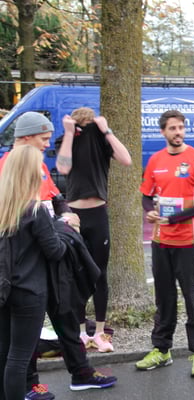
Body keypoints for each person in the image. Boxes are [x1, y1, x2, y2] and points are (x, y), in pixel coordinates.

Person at [1, 112, 116, 400]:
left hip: (46, 258)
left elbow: (54, 197)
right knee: (22, 339)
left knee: (64, 314)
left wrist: (65, 213)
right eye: (43, 138)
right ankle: (30, 385)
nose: (46, 144)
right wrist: (60, 226)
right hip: (32, 260)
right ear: (26, 137)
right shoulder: (10, 165)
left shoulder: (37, 163)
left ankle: (81, 372)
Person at [136, 110, 194, 377]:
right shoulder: (155, 160)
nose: (178, 132)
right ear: (163, 132)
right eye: (172, 128)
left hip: (189, 242)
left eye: (181, 127)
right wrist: (149, 211)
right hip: (161, 241)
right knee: (164, 298)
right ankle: (162, 349)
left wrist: (176, 217)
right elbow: (146, 195)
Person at [56, 107, 132, 352]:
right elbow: (63, 168)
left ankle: (99, 332)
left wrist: (106, 130)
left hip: (98, 213)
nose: (86, 130)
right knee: (77, 273)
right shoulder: (66, 139)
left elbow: (126, 159)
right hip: (74, 216)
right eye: (83, 126)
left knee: (100, 274)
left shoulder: (101, 140)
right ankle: (81, 332)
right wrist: (70, 133)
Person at [0, 145, 66, 400]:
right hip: (30, 291)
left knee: (5, 353)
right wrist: (64, 232)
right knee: (19, 358)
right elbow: (55, 251)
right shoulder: (35, 210)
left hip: (5, 288)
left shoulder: (4, 208)